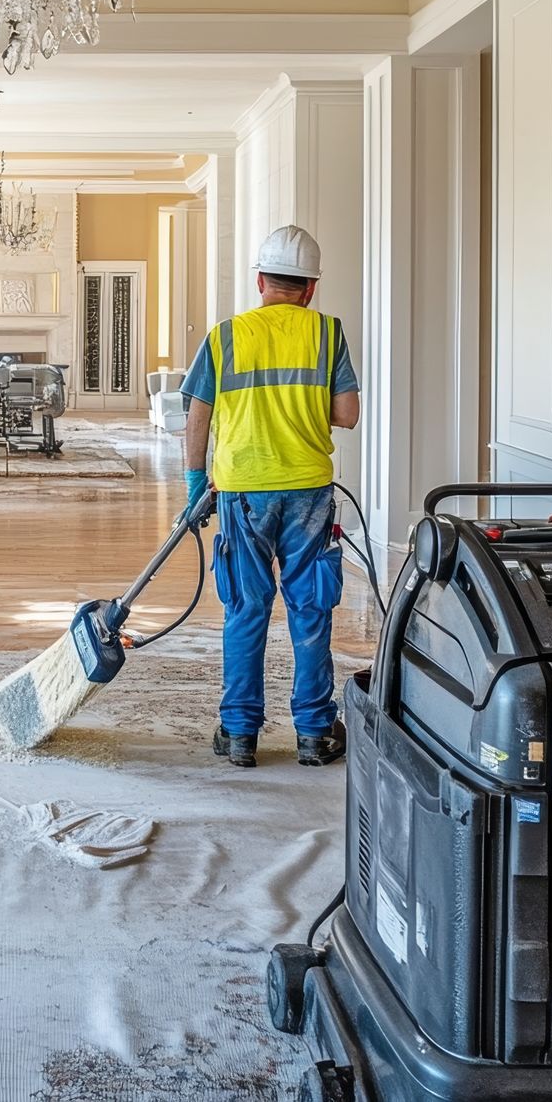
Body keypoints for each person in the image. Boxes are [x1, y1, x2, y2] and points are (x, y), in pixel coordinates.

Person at [180, 225, 360, 769]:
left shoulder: (226, 336)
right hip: (308, 492)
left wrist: (195, 481)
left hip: (242, 493)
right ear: (311, 288)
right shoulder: (327, 332)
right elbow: (347, 414)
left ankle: (239, 734)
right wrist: (301, 407)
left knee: (246, 608)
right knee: (311, 609)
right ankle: (314, 734)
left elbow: (197, 416)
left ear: (260, 281)